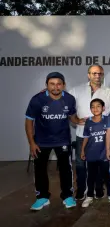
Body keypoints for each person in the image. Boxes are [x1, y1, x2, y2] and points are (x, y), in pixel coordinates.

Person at [26, 72, 82, 210]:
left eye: (58, 84)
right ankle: (42, 197)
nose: (55, 87)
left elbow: (72, 117)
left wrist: (79, 121)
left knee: (66, 170)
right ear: (46, 85)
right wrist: (32, 143)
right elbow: (29, 122)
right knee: (40, 170)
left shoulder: (69, 99)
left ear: (63, 85)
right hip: (41, 142)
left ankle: (68, 196)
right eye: (52, 84)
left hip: (62, 140)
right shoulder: (37, 100)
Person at [69, 65, 110, 201]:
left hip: (101, 135)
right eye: (94, 73)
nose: (97, 76)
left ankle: (98, 188)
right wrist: (76, 119)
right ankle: (81, 189)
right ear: (88, 75)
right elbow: (69, 109)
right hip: (82, 134)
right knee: (80, 163)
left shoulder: (108, 92)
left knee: (101, 164)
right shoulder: (76, 90)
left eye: (100, 73)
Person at [80, 99, 110, 207]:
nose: (95, 109)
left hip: (103, 153)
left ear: (103, 108)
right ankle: (89, 196)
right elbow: (86, 137)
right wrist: (83, 150)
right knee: (91, 176)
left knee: (106, 175)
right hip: (91, 154)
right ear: (90, 109)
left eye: (98, 106)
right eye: (93, 107)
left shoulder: (107, 119)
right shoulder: (88, 121)